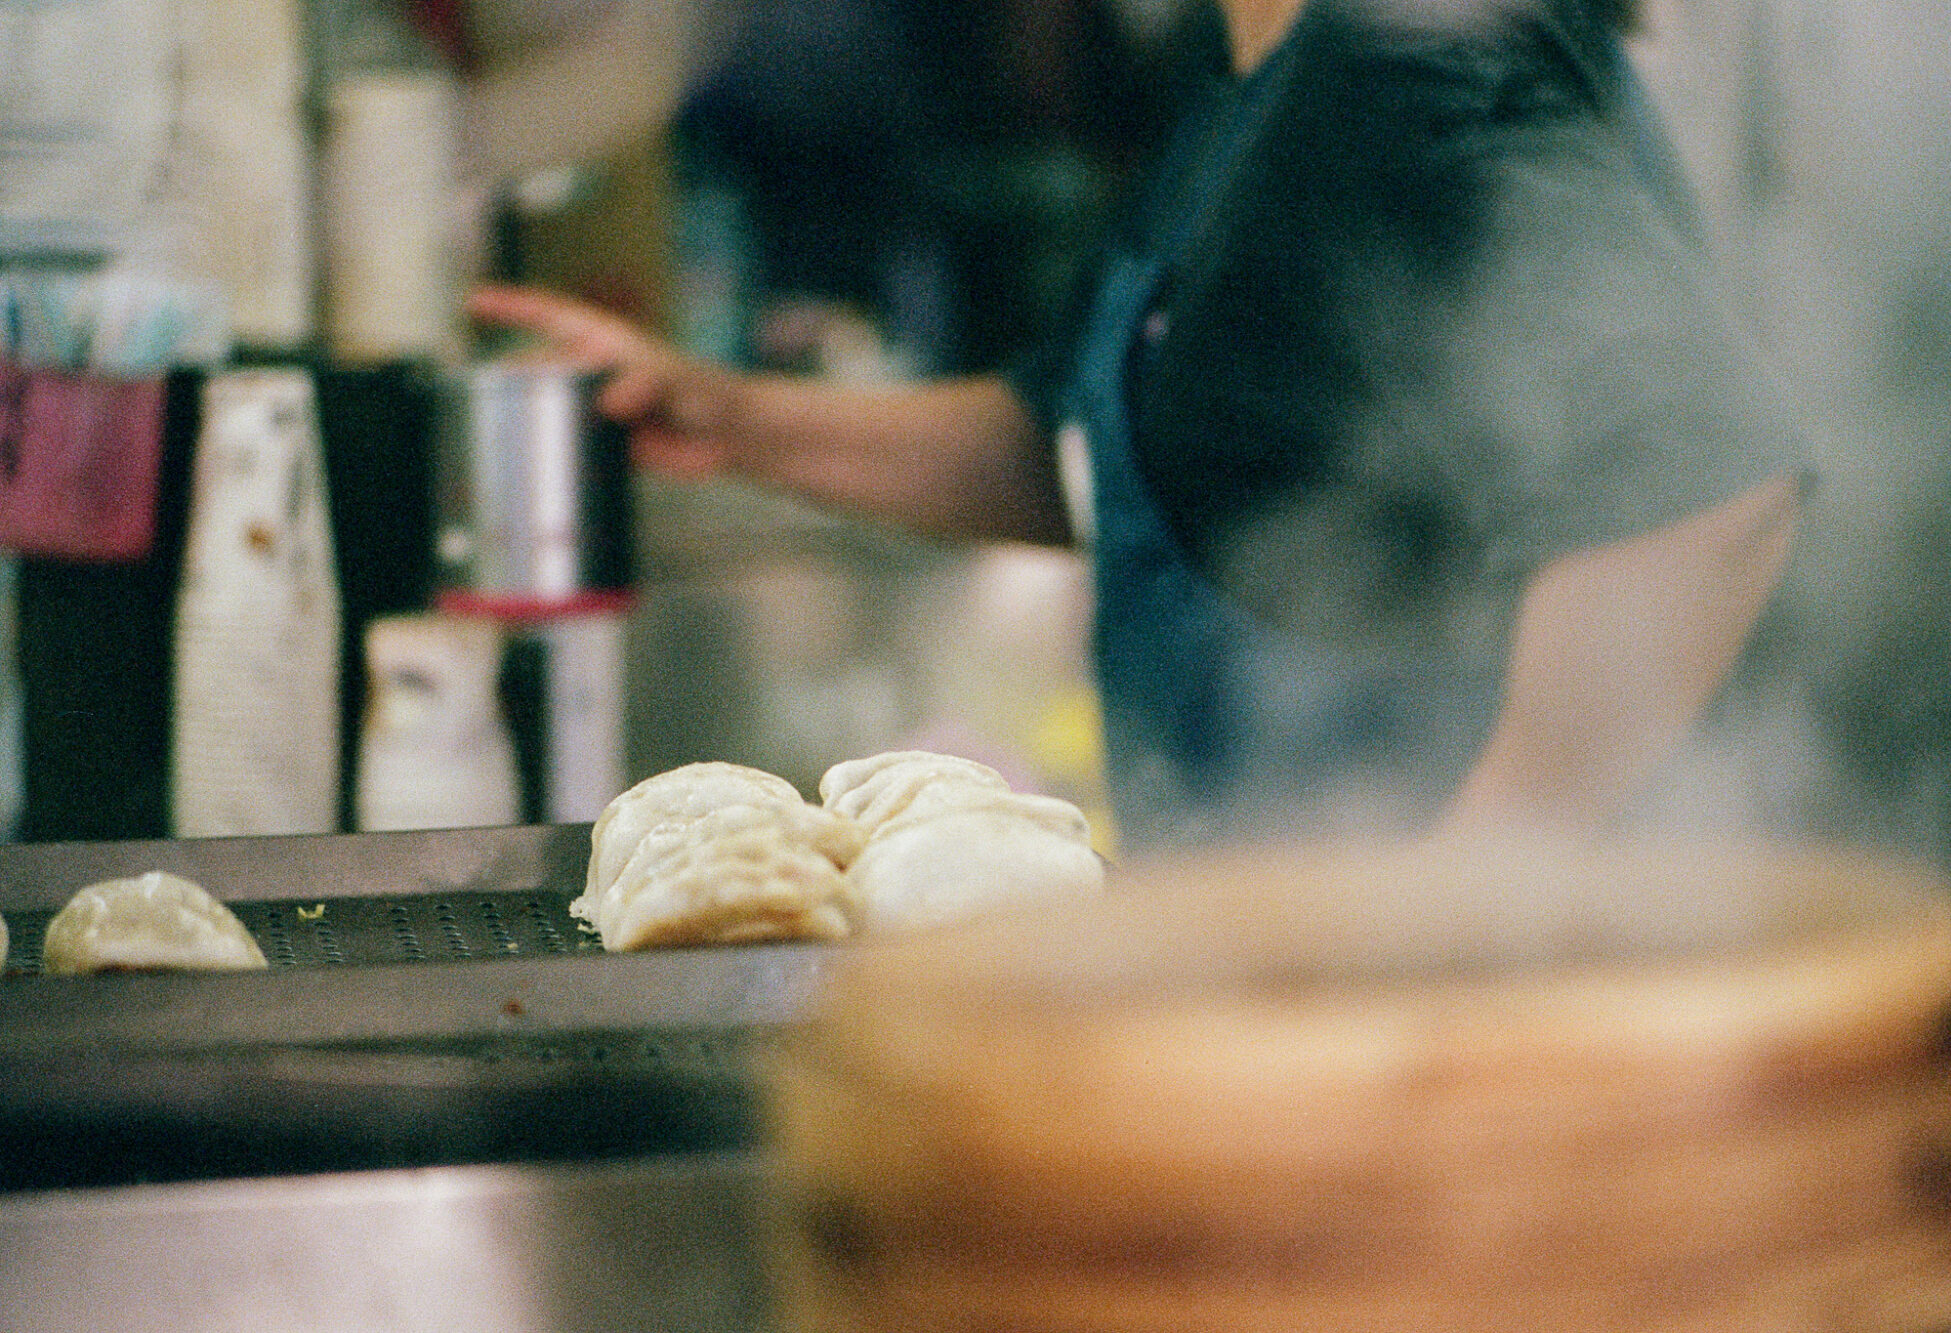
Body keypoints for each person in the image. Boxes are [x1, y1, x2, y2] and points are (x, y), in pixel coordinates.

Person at [470, 0, 1814, 853]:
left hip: (1407, 1013)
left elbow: (1707, 492)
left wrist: (1483, 881)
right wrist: (732, 415)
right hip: (1258, 954)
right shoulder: (1246, 68)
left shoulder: (1400, 63)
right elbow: (1078, 445)